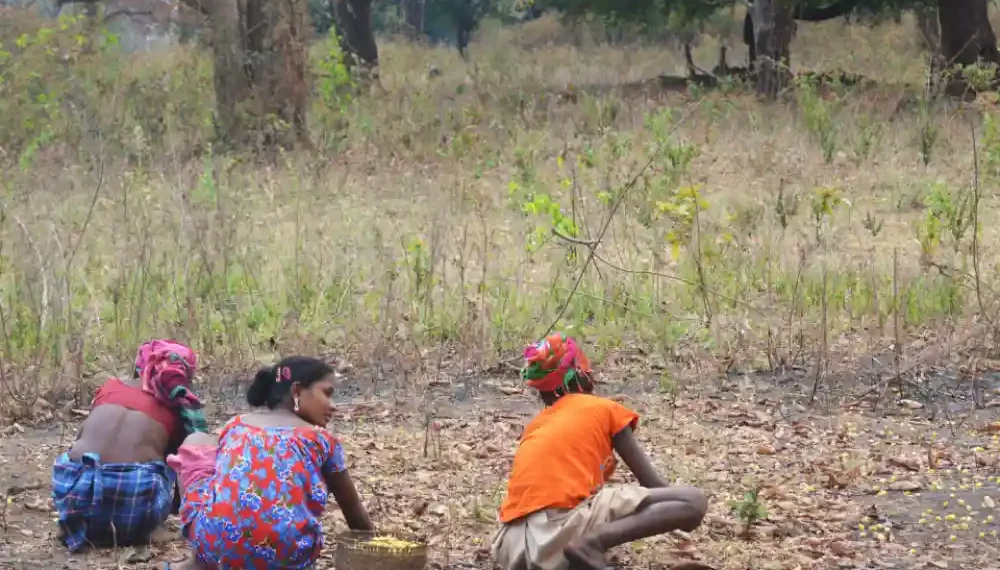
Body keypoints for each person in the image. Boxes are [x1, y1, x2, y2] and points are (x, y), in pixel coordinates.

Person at [492, 333, 709, 570]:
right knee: (692, 500)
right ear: (578, 371)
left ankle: (583, 552)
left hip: (512, 547)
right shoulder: (602, 409)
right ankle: (590, 545)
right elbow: (652, 484)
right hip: (558, 530)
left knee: (589, 514)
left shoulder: (537, 425)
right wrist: (679, 516)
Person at [162, 356, 374, 570]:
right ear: (297, 392)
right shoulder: (321, 440)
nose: (333, 406)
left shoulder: (236, 425)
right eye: (327, 393)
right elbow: (353, 511)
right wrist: (376, 551)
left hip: (217, 548)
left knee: (196, 440)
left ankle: (197, 561)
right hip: (289, 558)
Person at [52, 339, 209, 552]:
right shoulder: (177, 407)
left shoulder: (110, 387)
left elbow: (85, 435)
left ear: (138, 368)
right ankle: (149, 529)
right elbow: (181, 467)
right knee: (165, 460)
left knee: (79, 455)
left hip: (78, 493)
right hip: (132, 503)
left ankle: (76, 523)